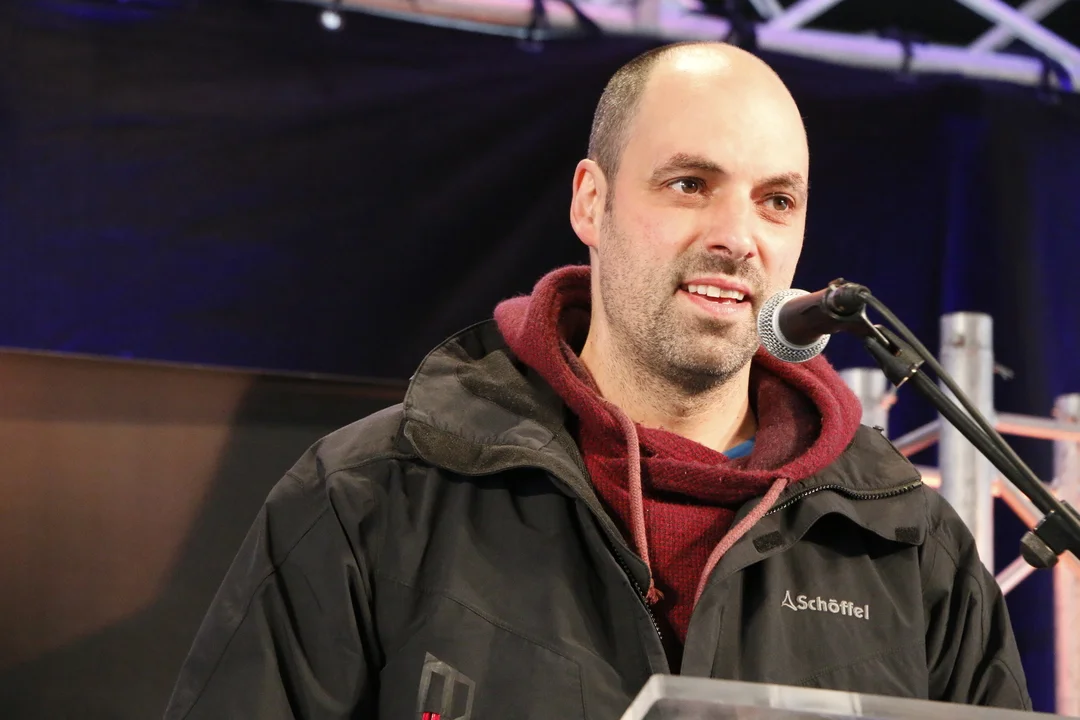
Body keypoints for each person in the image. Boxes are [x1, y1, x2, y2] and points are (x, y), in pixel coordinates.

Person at [164, 41, 1031, 719]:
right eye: (690, 184)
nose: (738, 237)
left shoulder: (909, 546)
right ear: (591, 201)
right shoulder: (368, 497)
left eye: (776, 201)